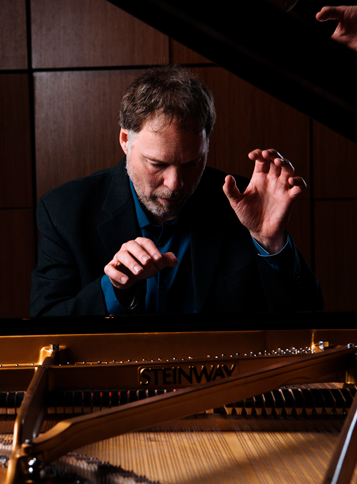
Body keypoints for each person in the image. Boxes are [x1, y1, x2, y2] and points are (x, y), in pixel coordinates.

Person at [30, 66, 322, 317]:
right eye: (157, 164)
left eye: (192, 163)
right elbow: (45, 326)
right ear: (124, 140)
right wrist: (113, 288)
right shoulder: (63, 210)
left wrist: (270, 243)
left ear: (206, 146)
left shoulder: (247, 204)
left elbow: (311, 319)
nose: (175, 184)